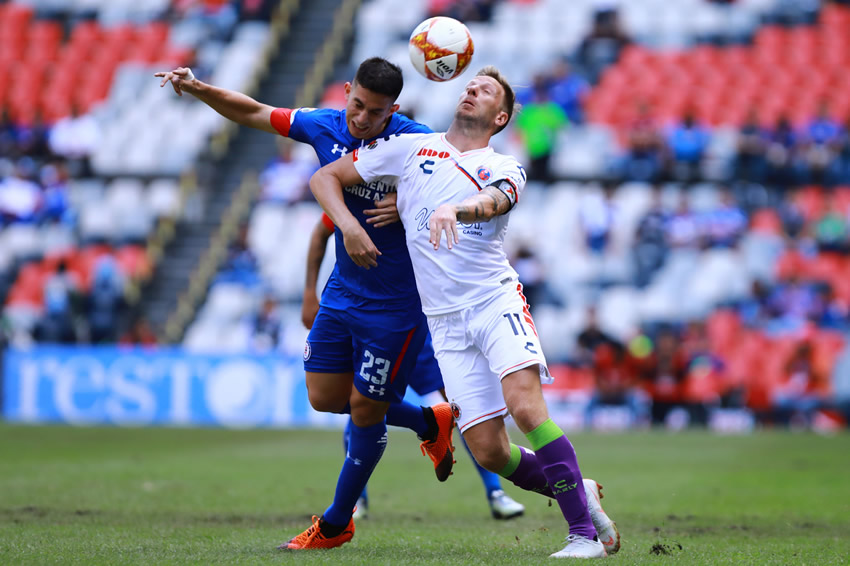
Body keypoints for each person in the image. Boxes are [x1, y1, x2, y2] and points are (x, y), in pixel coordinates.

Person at [311, 66, 620, 558]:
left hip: (494, 302)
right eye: (470, 85)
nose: (472, 90)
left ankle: (583, 536)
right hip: (445, 322)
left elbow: (497, 200)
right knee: (489, 451)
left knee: (525, 406)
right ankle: (579, 491)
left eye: (487, 90)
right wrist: (348, 225)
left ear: (499, 116)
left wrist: (459, 209)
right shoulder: (410, 148)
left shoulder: (504, 164)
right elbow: (326, 176)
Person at [156, 58, 456, 550]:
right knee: (325, 398)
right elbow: (253, 112)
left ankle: (336, 524)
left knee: (365, 410)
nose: (361, 119)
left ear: (393, 111)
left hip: (397, 306)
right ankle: (429, 420)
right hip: (343, 291)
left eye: (374, 112)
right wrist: (197, 87)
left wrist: (407, 204)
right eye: (356, 105)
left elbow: (456, 190)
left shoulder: (416, 142)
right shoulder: (324, 125)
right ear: (346, 92)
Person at [302, 211, 526, 520]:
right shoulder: (355, 194)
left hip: (416, 322)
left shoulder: (419, 191)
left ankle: (495, 492)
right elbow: (321, 229)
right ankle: (358, 501)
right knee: (361, 403)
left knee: (456, 402)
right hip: (364, 317)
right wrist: (309, 293)